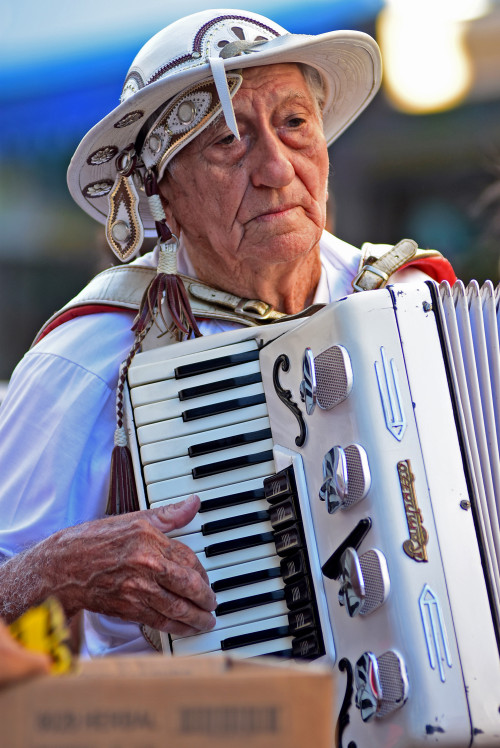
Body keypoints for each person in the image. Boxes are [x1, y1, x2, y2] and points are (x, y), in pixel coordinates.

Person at [0, 8, 455, 657]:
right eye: (227, 141)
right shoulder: (86, 360)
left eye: (294, 124)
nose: (275, 167)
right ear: (161, 195)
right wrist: (52, 573)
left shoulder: (413, 301)